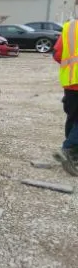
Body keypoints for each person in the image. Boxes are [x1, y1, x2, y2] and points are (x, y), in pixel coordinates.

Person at [52, 18, 78, 175]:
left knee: (73, 117)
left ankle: (72, 155)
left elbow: (57, 54)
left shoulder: (70, 27)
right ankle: (68, 150)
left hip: (70, 81)